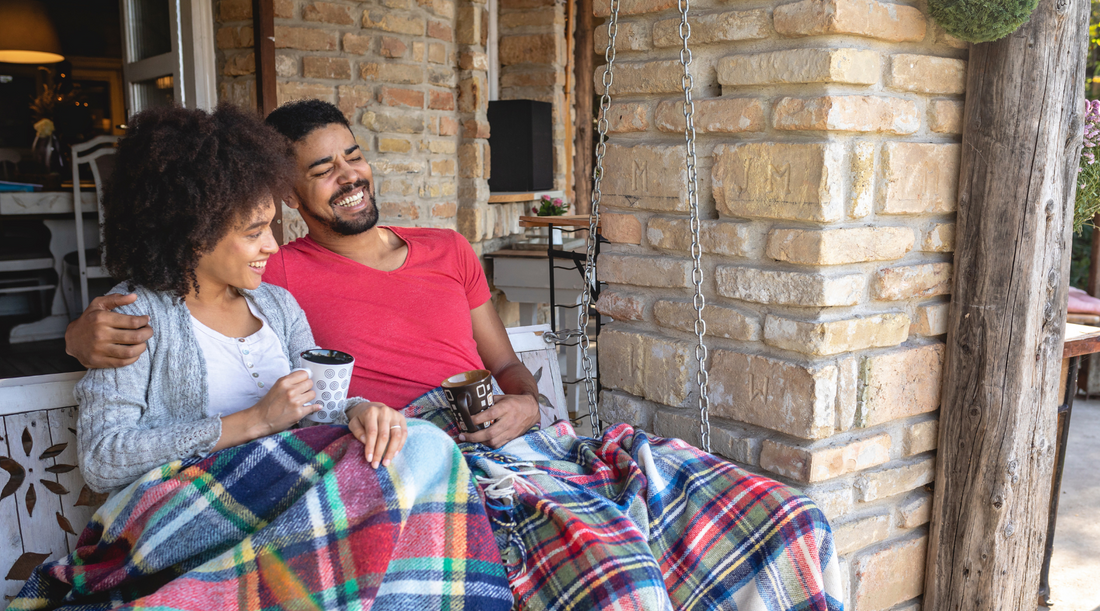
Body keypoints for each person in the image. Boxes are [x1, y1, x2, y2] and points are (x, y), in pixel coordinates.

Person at [13, 104, 512, 610]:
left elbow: (319, 404)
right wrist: (251, 422)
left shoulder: (276, 304)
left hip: (276, 509)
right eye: (255, 232)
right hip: (179, 511)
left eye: (272, 226)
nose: (273, 246)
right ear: (194, 231)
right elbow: (102, 459)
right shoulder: (136, 315)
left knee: (416, 445)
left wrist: (361, 410)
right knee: (421, 454)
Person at [65, 99, 540, 449]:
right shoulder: (271, 274)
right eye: (322, 170)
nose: (350, 175)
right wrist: (75, 338)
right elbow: (187, 281)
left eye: (353, 156)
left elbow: (505, 366)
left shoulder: (449, 248)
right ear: (288, 195)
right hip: (404, 449)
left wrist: (529, 404)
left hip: (484, 434)